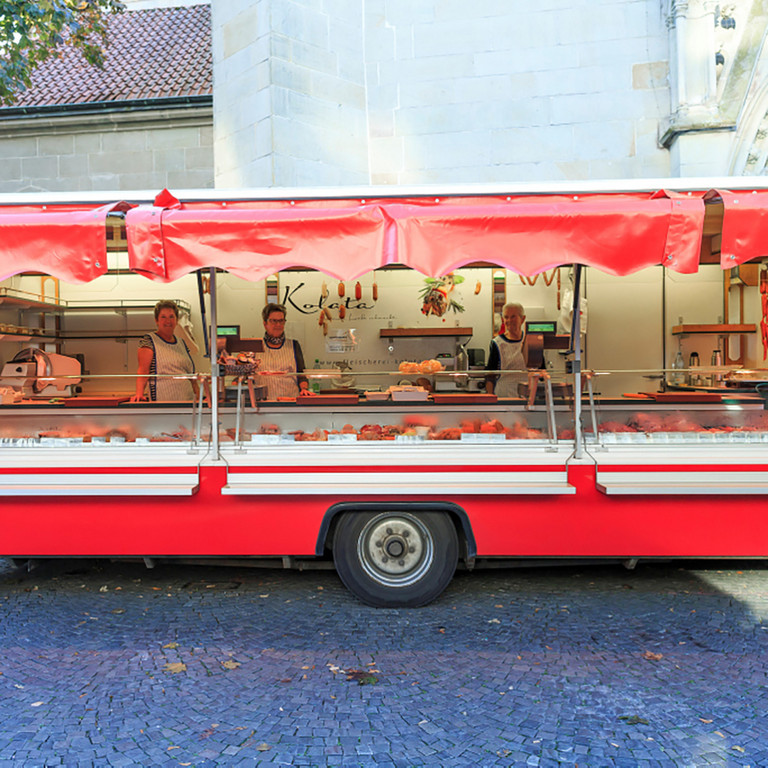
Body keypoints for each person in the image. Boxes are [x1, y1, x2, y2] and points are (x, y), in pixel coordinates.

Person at [131, 300, 197, 402]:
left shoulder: (182, 343)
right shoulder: (149, 340)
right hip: (162, 402)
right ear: (156, 320)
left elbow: (192, 377)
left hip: (187, 401)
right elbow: (143, 372)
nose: (168, 321)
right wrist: (139, 394)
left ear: (176, 320)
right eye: (163, 317)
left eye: (171, 317)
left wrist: (200, 397)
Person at [255, 303, 309, 399]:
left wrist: (304, 389)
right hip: (263, 405)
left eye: (281, 321)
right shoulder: (255, 347)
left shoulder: (294, 345)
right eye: (273, 321)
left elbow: (301, 374)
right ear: (265, 323)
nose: (278, 325)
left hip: (290, 404)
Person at [485, 302, 529, 397]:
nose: (509, 320)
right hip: (504, 395)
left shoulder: (530, 340)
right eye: (506, 317)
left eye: (513, 317)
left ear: (523, 319)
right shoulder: (497, 343)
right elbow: (490, 376)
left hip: (528, 394)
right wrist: (490, 399)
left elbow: (541, 370)